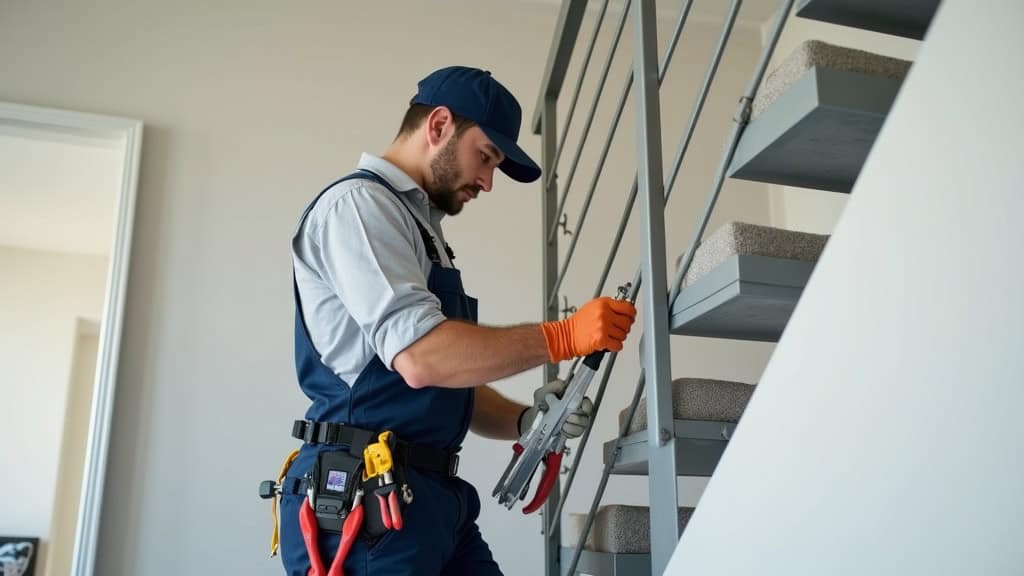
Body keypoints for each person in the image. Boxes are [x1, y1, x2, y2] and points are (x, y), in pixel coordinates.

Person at [278, 65, 637, 576]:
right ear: (440, 125)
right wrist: (563, 336)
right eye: (485, 157)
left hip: (427, 501)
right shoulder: (359, 208)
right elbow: (423, 359)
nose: (488, 182)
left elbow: (437, 386)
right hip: (366, 506)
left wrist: (523, 421)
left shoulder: (419, 228)